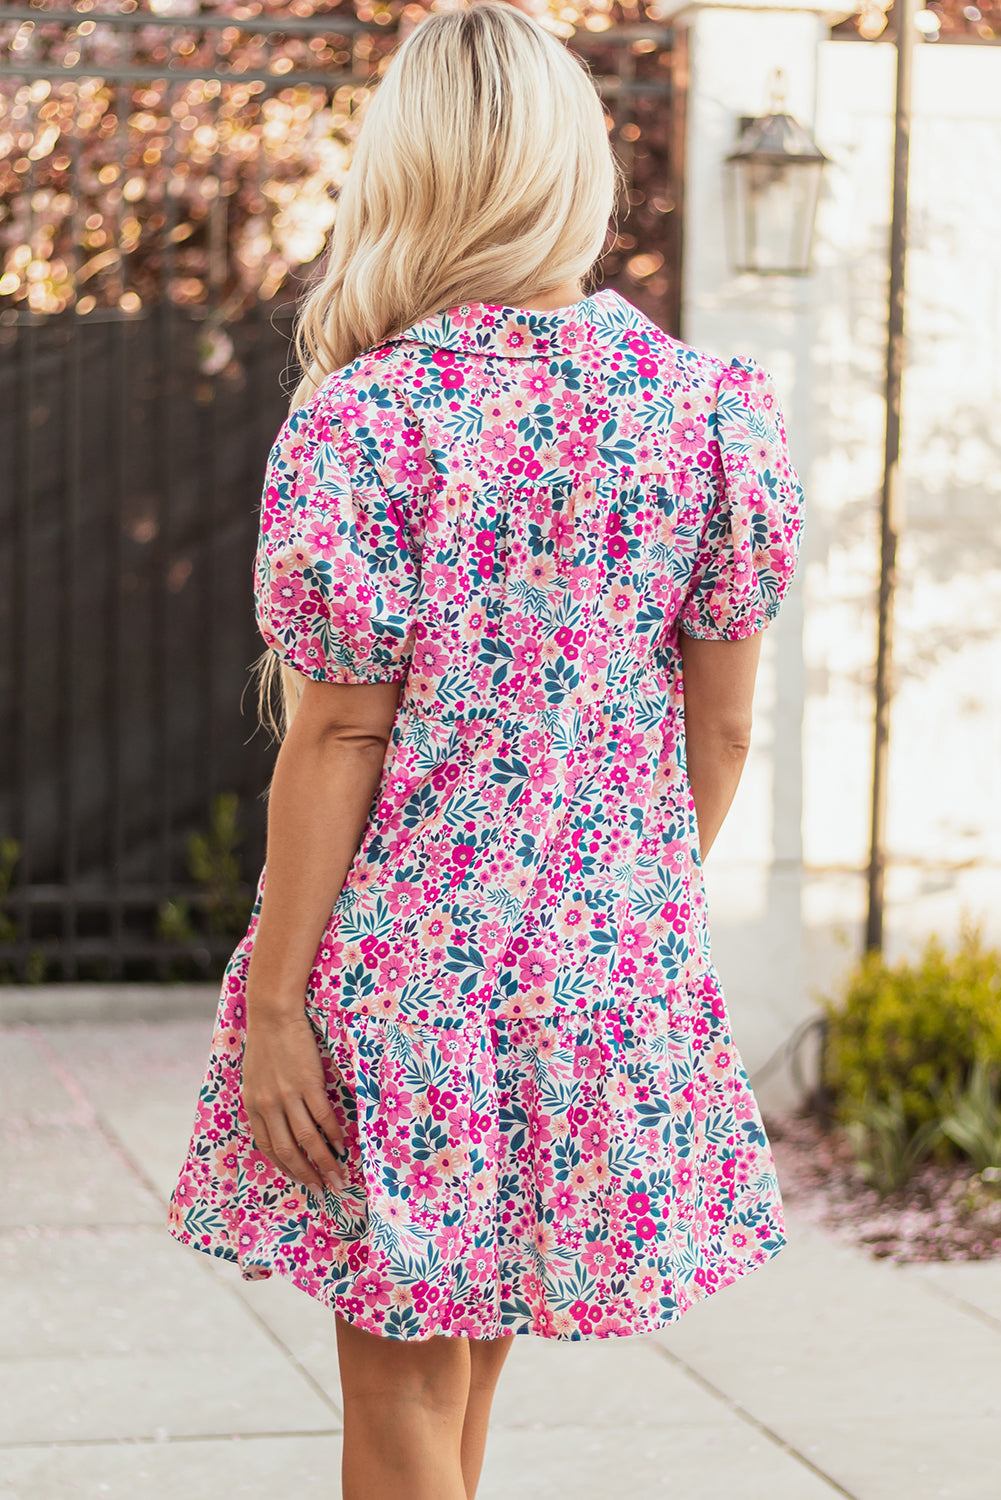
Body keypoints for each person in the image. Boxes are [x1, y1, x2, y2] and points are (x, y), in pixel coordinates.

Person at [167, 4, 805, 1497]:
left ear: (414, 173)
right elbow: (718, 725)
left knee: (398, 1394)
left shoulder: (372, 420)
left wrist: (273, 1005)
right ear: (570, 168)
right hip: (599, 952)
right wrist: (615, 903)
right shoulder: (707, 413)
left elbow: (338, 728)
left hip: (404, 972)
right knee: (459, 1378)